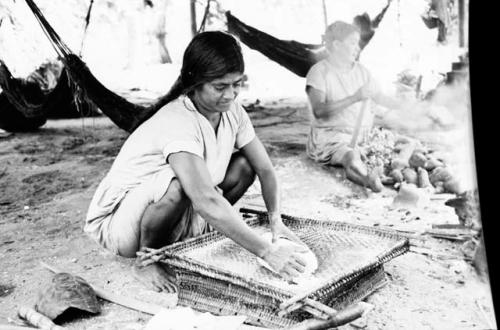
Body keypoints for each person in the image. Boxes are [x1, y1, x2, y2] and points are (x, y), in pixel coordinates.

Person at [85, 31, 308, 292]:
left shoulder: (233, 112)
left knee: (245, 166)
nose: (231, 94)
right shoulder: (178, 121)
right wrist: (267, 252)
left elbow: (265, 169)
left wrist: (275, 221)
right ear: (195, 83)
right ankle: (147, 260)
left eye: (236, 84)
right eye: (220, 87)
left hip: (177, 209)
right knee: (178, 184)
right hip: (123, 226)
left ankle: (197, 233)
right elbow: (204, 199)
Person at [305, 21, 409, 192]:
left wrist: (404, 105)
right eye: (353, 43)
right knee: (351, 156)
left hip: (362, 135)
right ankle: (369, 180)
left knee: (407, 142)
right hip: (332, 137)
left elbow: (379, 96)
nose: (358, 48)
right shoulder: (319, 73)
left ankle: (389, 169)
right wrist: (355, 97)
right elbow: (319, 111)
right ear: (337, 45)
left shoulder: (362, 71)